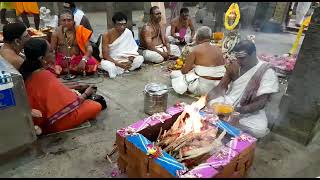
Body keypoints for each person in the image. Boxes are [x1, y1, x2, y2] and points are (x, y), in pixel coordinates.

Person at [19, 38, 102, 135]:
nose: (54, 52)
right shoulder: (44, 75)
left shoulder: (28, 70)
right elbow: (73, 102)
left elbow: (54, 89)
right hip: (53, 122)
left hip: (37, 116)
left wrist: (74, 87)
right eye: (50, 51)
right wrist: (87, 93)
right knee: (96, 105)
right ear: (41, 58)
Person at [206, 40, 279, 138]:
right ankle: (226, 123)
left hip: (249, 111)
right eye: (237, 58)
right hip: (228, 102)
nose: (239, 61)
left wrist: (235, 111)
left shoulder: (267, 71)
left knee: (259, 130)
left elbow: (261, 103)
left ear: (253, 54)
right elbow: (221, 87)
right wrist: (210, 99)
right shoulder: (235, 66)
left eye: (242, 58)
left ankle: (223, 123)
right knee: (211, 104)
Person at [170, 26, 226, 96]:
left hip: (204, 89)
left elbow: (184, 71)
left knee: (174, 74)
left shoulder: (194, 49)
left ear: (198, 37)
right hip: (219, 87)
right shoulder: (219, 48)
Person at [51, 9, 98, 75]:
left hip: (77, 58)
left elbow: (89, 49)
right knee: (50, 67)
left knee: (92, 65)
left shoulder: (80, 30)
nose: (66, 23)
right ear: (60, 22)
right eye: (63, 20)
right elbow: (52, 51)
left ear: (73, 21)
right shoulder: (56, 33)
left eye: (69, 20)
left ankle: (66, 70)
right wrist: (55, 64)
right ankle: (71, 70)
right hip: (62, 60)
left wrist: (84, 60)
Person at [100, 12, 144, 78]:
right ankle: (122, 69)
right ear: (114, 24)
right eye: (119, 24)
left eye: (124, 24)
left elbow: (133, 50)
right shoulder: (106, 35)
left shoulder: (128, 32)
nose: (122, 27)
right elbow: (105, 56)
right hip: (113, 61)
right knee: (106, 64)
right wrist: (119, 64)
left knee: (140, 58)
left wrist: (130, 61)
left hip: (126, 60)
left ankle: (125, 68)